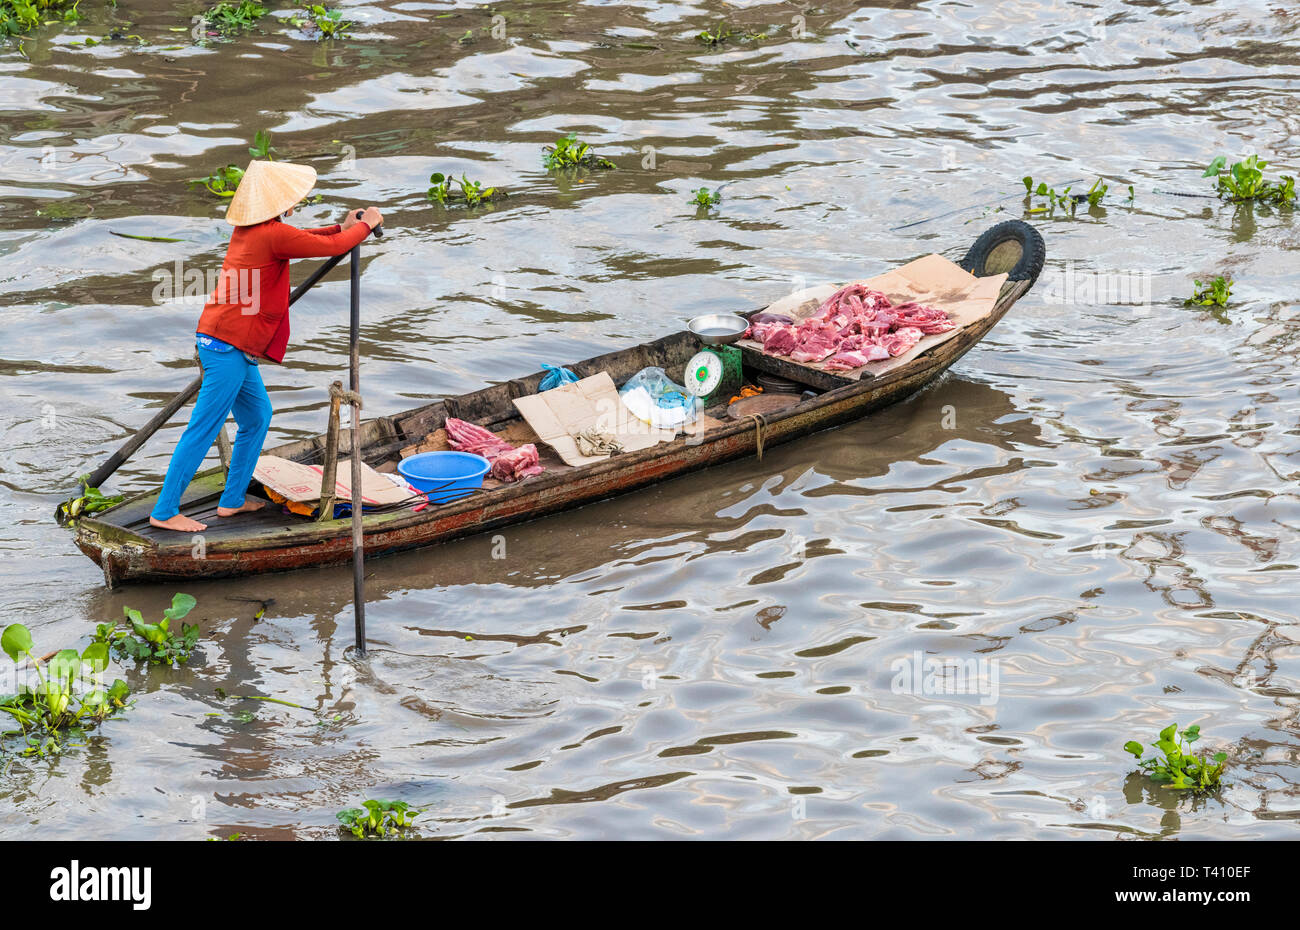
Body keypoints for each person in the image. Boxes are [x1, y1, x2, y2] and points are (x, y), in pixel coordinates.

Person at [149, 160, 383, 532]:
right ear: (277, 203)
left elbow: (313, 236)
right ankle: (164, 512)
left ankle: (232, 499)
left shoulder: (255, 230)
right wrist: (365, 225)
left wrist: (344, 225)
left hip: (231, 343)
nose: (296, 203)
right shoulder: (272, 235)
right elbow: (333, 246)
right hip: (226, 346)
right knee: (203, 428)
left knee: (257, 417)